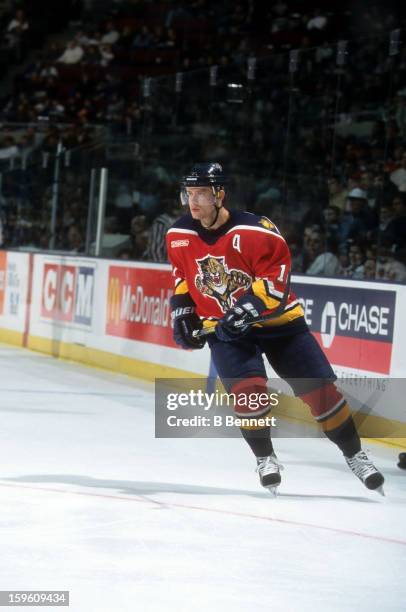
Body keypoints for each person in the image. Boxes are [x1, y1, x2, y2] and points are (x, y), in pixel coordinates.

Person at [166, 163, 384, 495]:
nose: (193, 202)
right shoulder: (179, 234)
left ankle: (355, 455)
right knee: (248, 395)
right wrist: (182, 310)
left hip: (280, 325)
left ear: (219, 195)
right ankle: (265, 458)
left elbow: (276, 284)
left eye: (201, 194)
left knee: (321, 393)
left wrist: (245, 309)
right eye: (189, 193)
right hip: (225, 330)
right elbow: (182, 276)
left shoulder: (258, 231)